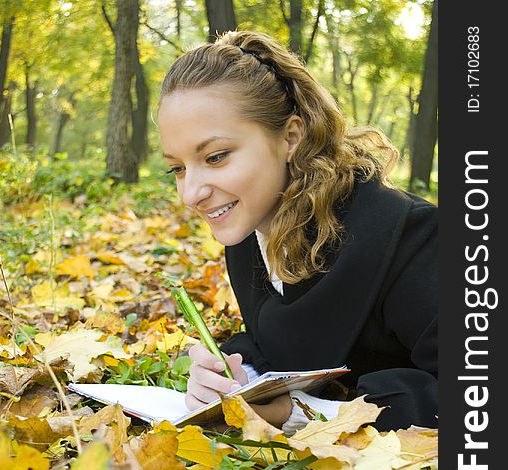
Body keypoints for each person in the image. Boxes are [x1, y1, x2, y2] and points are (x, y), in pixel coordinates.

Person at [157, 30, 438, 433]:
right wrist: (240, 379)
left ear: (291, 137)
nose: (191, 193)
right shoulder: (248, 233)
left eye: (216, 157)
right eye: (178, 169)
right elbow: (284, 343)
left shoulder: (412, 237)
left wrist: (299, 415)